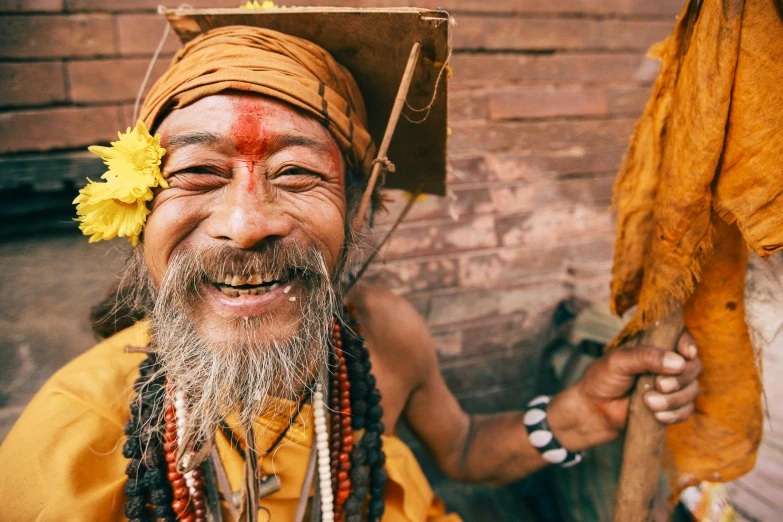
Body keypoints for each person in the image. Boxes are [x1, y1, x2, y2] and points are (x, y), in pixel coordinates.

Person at [0, 17, 701, 522]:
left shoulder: (383, 336)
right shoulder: (73, 436)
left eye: (298, 173)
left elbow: (457, 448)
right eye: (197, 174)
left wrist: (577, 414)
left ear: (361, 211)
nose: (246, 223)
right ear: (140, 213)